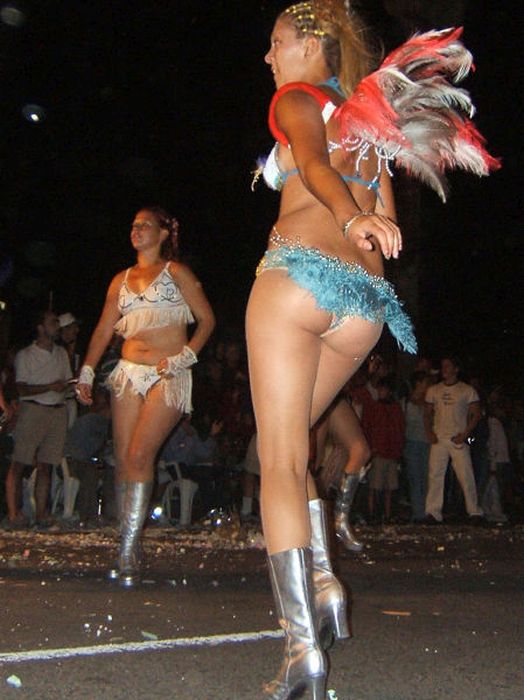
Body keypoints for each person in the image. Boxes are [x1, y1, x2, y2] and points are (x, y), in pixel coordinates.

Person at [246, 5, 416, 697]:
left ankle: (300, 650)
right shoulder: (370, 118)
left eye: (276, 43)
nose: (268, 57)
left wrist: (346, 216)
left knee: (281, 461)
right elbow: (389, 220)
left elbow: (312, 164)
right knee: (284, 446)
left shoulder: (297, 98)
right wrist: (365, 221)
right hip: (365, 307)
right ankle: (320, 576)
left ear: (312, 44)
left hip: (299, 279)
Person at [76, 206, 215, 586]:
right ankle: (130, 540)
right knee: (123, 459)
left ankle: (127, 546)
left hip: (167, 373)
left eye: (145, 225)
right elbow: (105, 329)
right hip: (127, 373)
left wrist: (186, 356)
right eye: (133, 225)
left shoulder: (177, 274)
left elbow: (207, 320)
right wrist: (87, 369)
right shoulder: (120, 280)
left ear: (165, 233)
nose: (136, 230)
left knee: (140, 453)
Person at [5, 310, 72, 526]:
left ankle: (41, 514)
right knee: (19, 462)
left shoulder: (62, 354)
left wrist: (68, 388)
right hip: (33, 410)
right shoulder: (26, 355)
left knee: (47, 465)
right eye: (53, 322)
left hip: (58, 409)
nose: (57, 326)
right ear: (40, 328)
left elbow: (68, 382)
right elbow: (22, 389)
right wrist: (50, 387)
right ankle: (14, 513)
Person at [424, 357, 484, 524]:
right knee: (435, 475)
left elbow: (476, 414)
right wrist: (429, 432)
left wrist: (464, 435)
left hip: (458, 439)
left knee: (466, 475)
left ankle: (474, 512)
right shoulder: (433, 390)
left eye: (448, 366)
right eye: (443, 366)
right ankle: (433, 512)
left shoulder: (467, 390)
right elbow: (427, 413)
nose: (444, 369)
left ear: (456, 369)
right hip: (439, 439)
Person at [314, 394, 370, 551]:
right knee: (312, 461)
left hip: (334, 393)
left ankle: (340, 519)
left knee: (360, 450)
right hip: (316, 389)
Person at [362, 376, 405, 522]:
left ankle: (387, 514)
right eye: (380, 389)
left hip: (392, 452)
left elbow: (400, 430)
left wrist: (399, 451)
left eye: (384, 389)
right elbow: (367, 428)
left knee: (390, 487)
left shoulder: (395, 408)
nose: (382, 392)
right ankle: (372, 513)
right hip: (378, 451)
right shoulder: (373, 407)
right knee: (374, 486)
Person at [403, 371, 431, 522]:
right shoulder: (407, 402)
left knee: (427, 478)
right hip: (412, 442)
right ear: (418, 384)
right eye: (425, 383)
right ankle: (418, 513)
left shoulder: (429, 402)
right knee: (415, 478)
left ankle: (428, 511)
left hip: (427, 443)